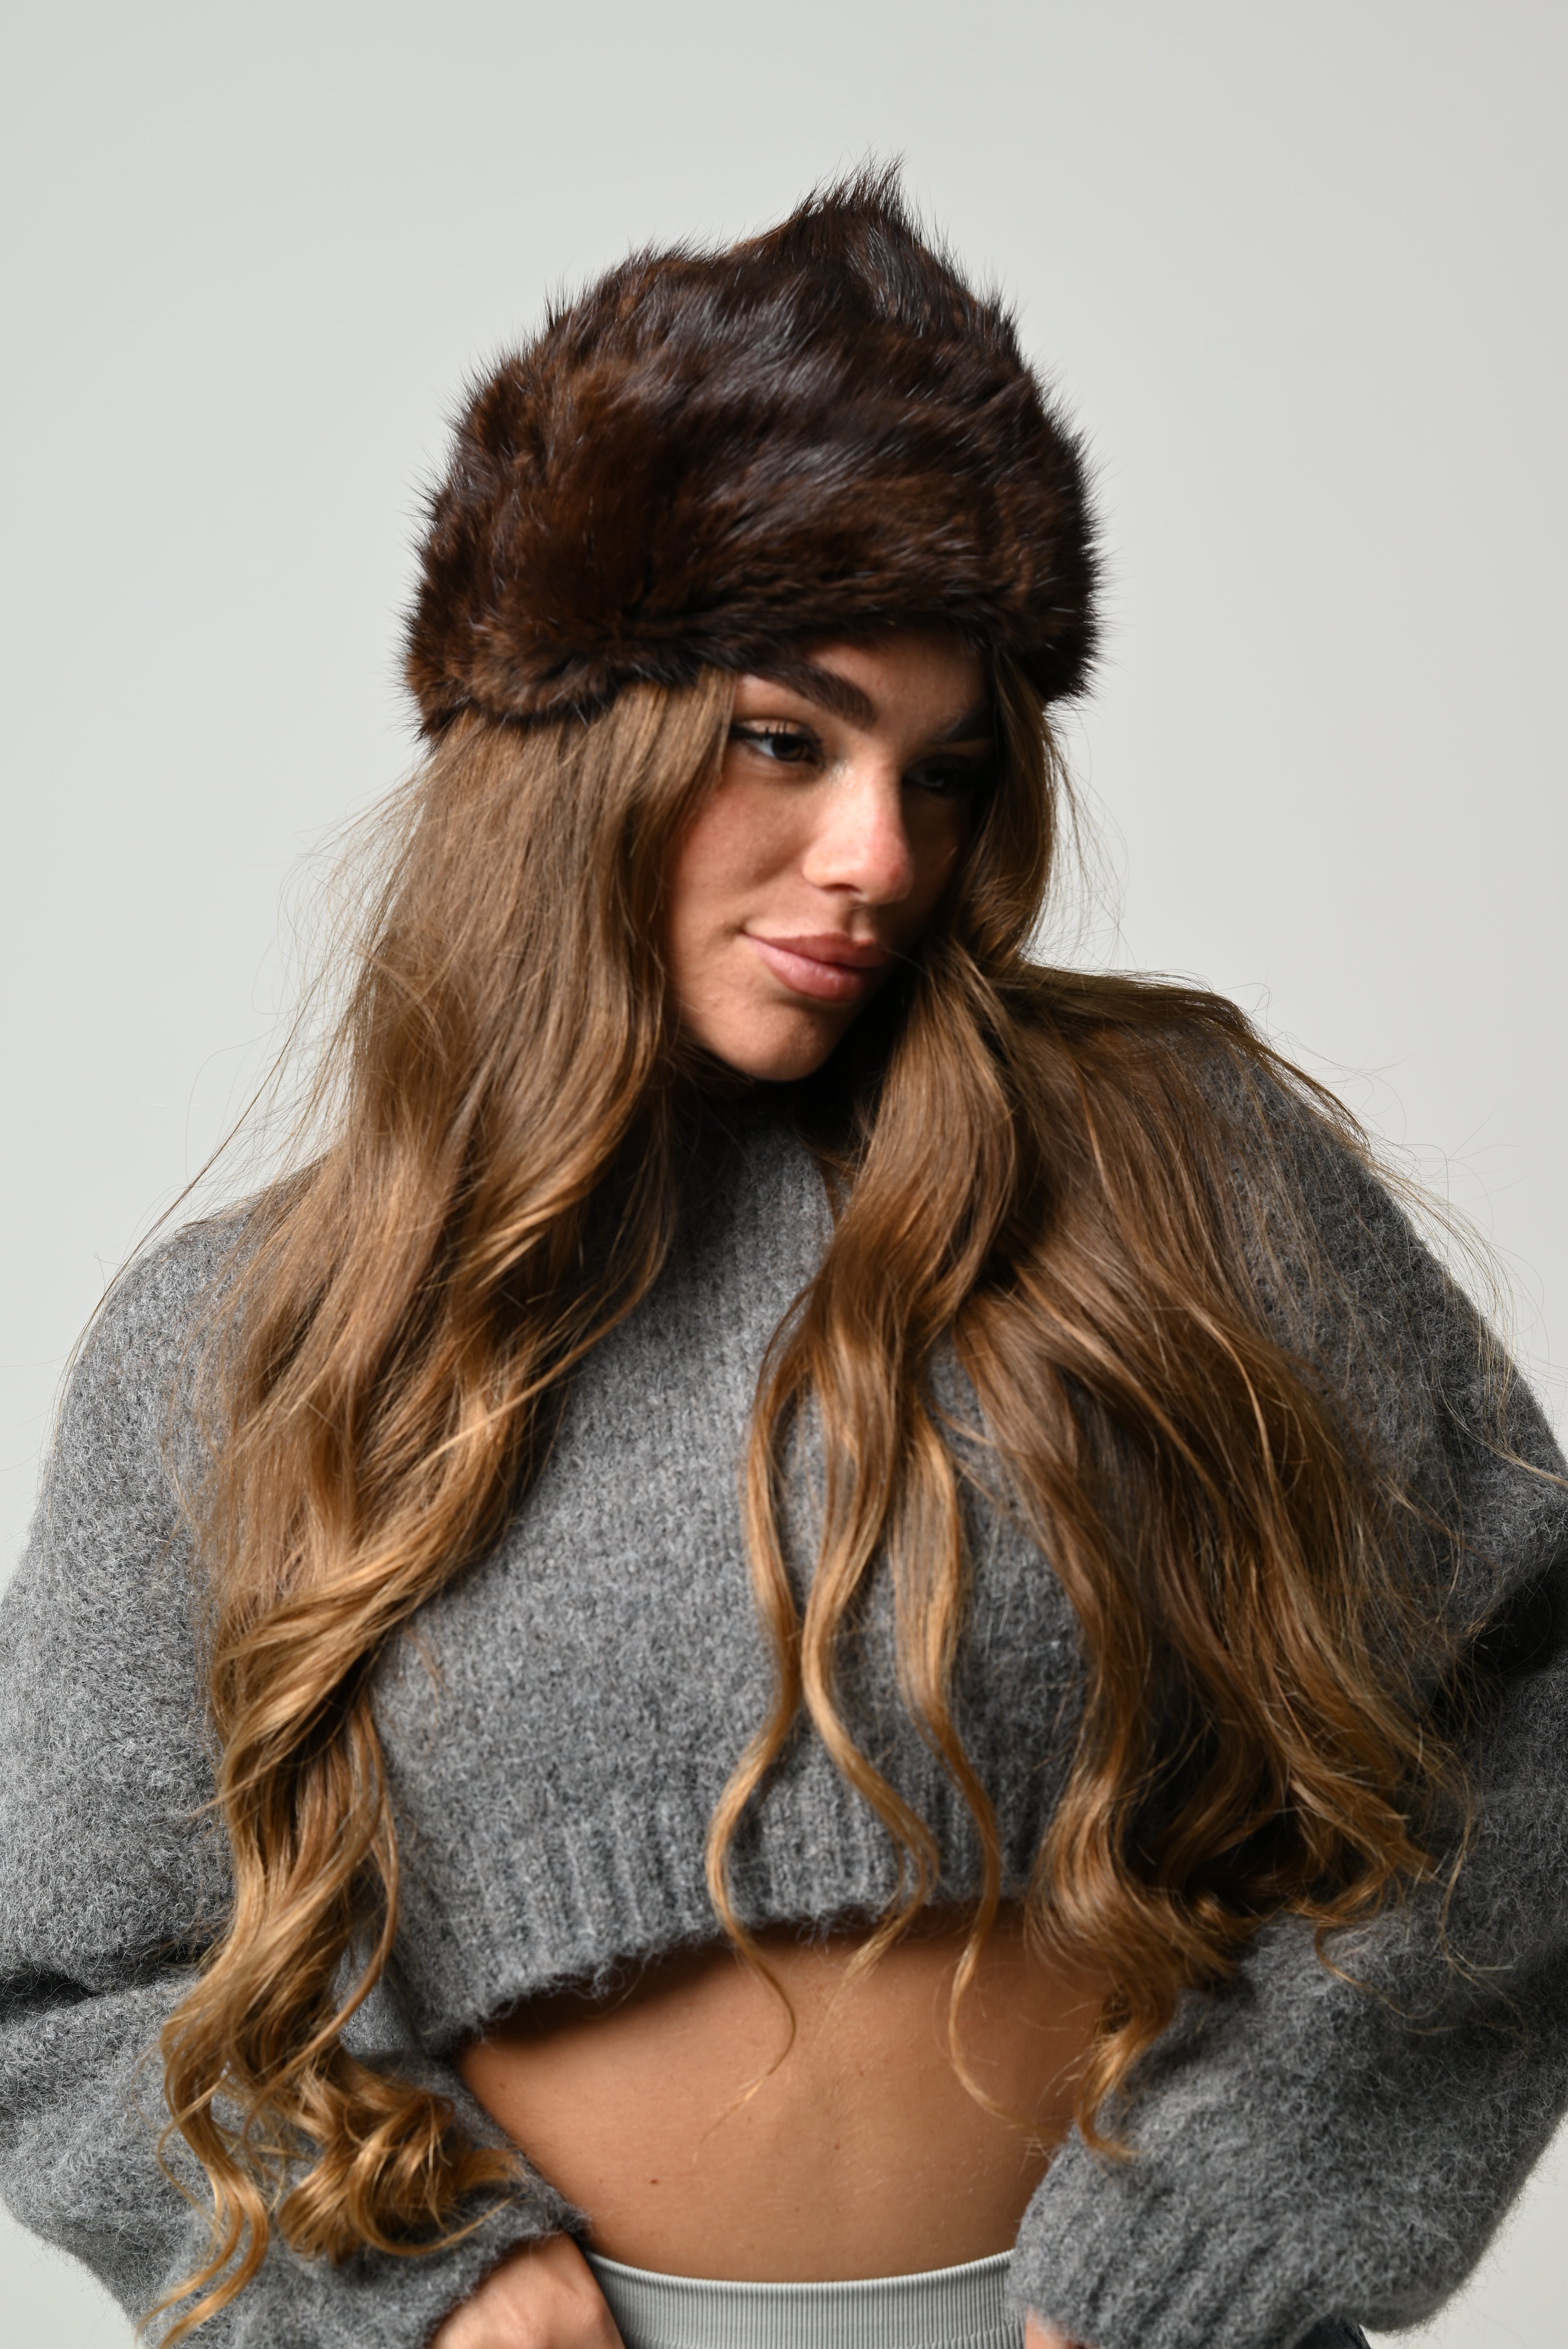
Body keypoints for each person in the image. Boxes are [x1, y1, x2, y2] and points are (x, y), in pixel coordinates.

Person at [1, 171, 1565, 2349]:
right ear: (572, 749)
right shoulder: (250, 1344)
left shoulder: (1180, 1178)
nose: (876, 857)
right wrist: (397, 2287)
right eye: (784, 740)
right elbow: (62, 1983)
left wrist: (1240, 2207)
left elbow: (1530, 1701)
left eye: (943, 775)